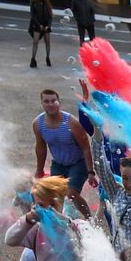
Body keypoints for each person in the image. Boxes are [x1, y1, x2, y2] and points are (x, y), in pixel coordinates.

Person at [4, 176, 91, 261]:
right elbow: (10, 240)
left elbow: (90, 238)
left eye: (53, 204)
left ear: (63, 203)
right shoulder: (36, 230)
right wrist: (28, 219)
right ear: (34, 205)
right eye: (41, 205)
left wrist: (64, 221)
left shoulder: (77, 225)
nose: (48, 209)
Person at [31, 89, 95, 220]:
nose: (51, 104)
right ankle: (60, 222)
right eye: (46, 101)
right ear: (42, 103)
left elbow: (86, 148)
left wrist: (90, 172)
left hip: (78, 163)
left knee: (71, 194)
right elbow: (41, 147)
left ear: (59, 102)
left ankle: (91, 220)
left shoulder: (71, 123)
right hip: (58, 164)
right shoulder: (38, 124)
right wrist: (39, 170)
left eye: (54, 101)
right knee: (54, 197)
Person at [27, 0, 52, 67]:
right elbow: (32, 15)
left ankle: (48, 58)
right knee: (35, 42)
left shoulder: (46, 2)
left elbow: (50, 16)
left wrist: (48, 25)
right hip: (37, 24)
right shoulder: (33, 1)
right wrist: (39, 25)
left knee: (47, 41)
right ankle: (33, 59)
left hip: (46, 24)